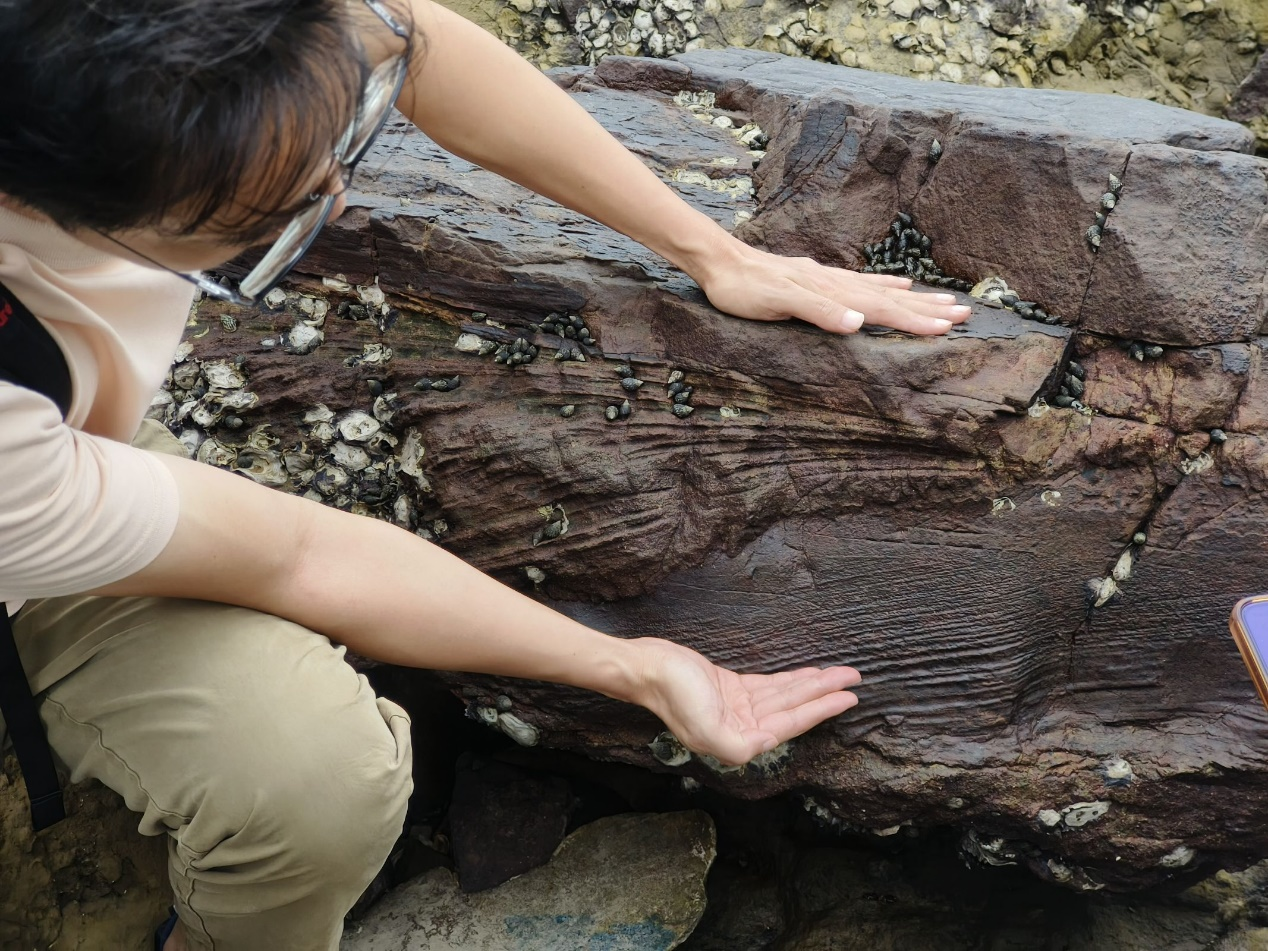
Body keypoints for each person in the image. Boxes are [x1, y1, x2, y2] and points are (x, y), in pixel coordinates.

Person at [0, 1, 972, 948]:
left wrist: (712, 251)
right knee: (308, 782)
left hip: (77, 446)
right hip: (27, 493)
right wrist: (632, 667)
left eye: (340, 135)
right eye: (269, 217)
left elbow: (416, 43)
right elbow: (301, 556)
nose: (336, 197)